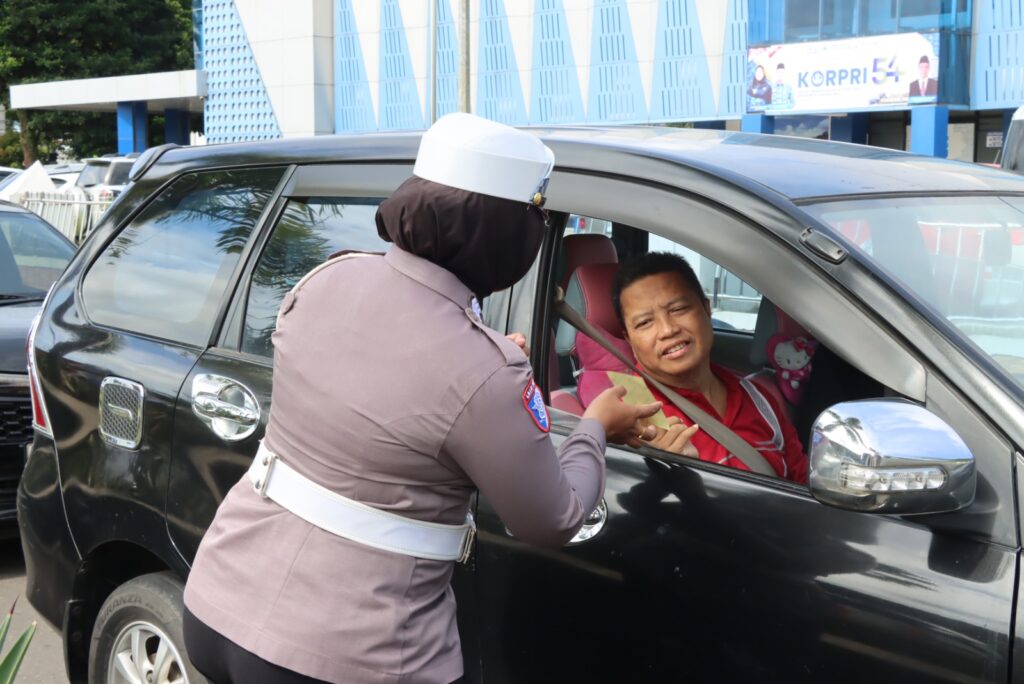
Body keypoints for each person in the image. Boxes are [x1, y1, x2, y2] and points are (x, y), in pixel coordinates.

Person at [181, 112, 667, 684]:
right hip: (353, 657)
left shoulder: (326, 279)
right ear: (503, 235)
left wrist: (484, 373)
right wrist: (594, 427)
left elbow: (379, 381)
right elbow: (552, 518)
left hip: (218, 603)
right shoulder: (485, 370)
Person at [609, 252, 808, 483]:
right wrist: (659, 478)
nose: (667, 330)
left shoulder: (758, 398)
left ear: (706, 308)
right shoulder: (630, 418)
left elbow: (802, 481)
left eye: (678, 309)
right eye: (644, 322)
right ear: (628, 338)